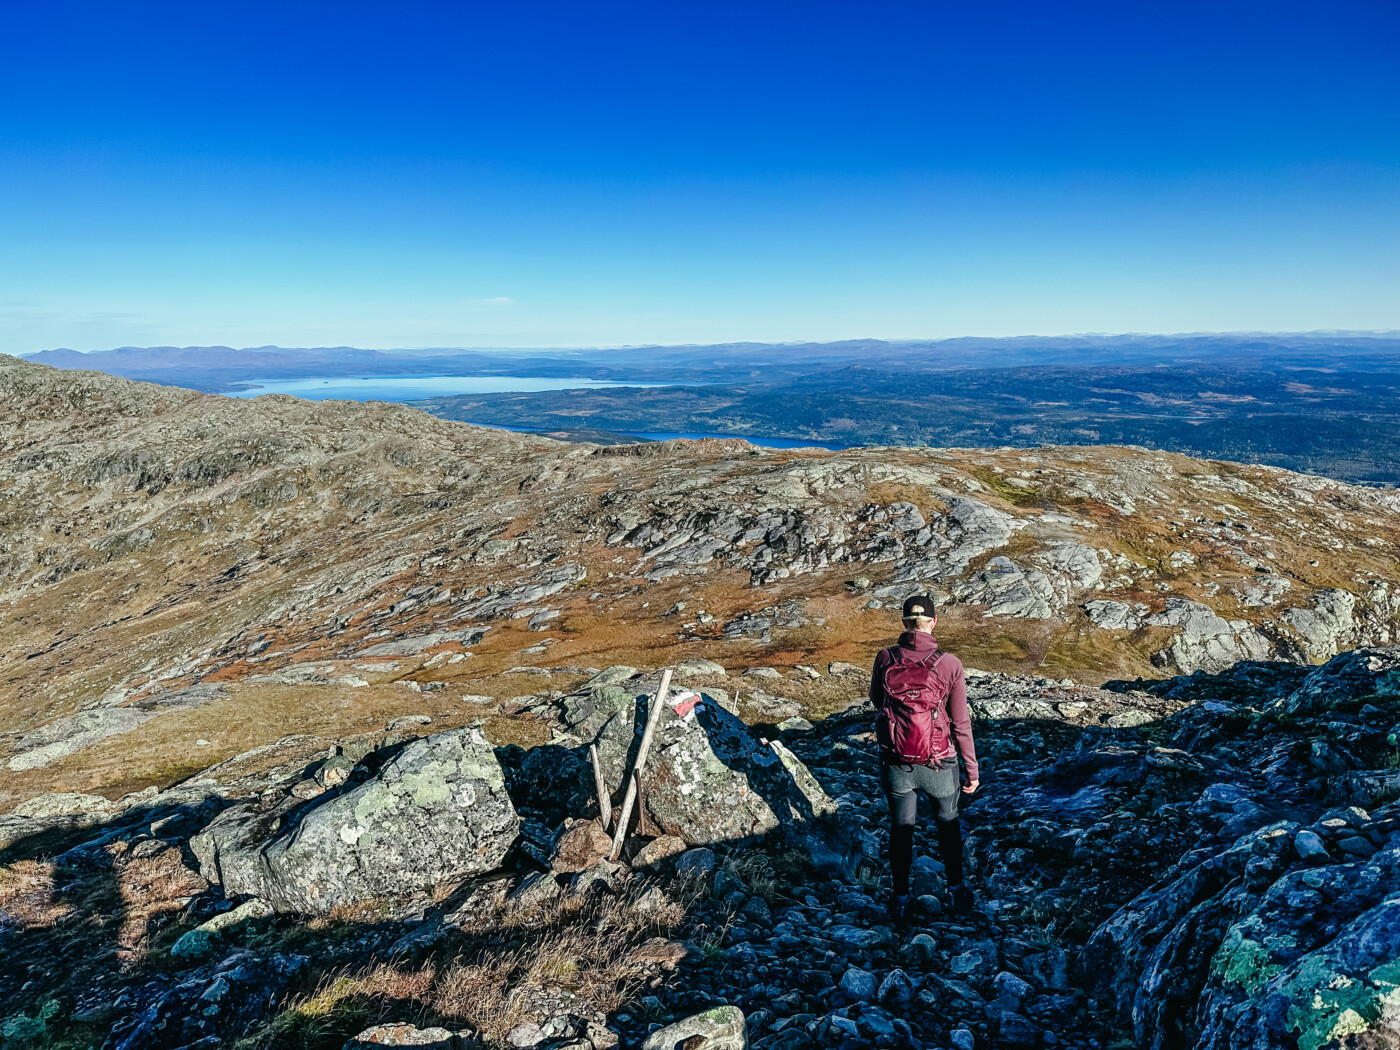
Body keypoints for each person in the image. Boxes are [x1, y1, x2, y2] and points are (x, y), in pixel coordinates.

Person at [870, 595, 979, 922]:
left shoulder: (885, 657)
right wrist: (971, 769)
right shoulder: (949, 663)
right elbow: (960, 722)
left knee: (901, 827)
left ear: (904, 623)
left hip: (897, 760)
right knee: (948, 824)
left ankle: (901, 898)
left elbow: (878, 700)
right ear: (933, 622)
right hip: (940, 761)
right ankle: (956, 891)